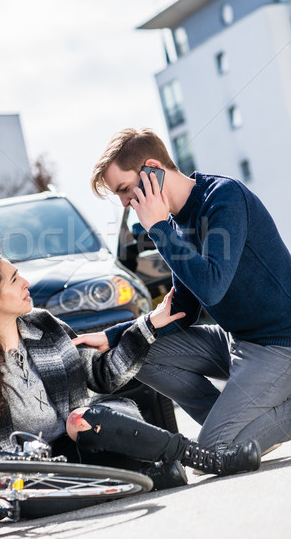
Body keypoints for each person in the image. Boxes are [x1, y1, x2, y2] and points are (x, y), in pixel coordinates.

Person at [0, 255, 260, 494]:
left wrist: (149, 325)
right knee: (148, 474)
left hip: (94, 439)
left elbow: (102, 376)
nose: (26, 282)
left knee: (78, 419)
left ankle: (204, 458)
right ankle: (151, 475)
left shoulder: (44, 326)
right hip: (36, 475)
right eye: (14, 279)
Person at [88, 127, 291, 455]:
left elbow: (211, 288)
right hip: (237, 340)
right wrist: (113, 337)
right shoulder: (179, 222)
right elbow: (183, 310)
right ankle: (235, 428)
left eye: (125, 189)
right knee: (138, 352)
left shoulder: (224, 198)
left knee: (215, 447)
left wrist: (159, 229)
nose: (125, 203)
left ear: (152, 169)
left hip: (280, 345)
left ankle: (230, 436)